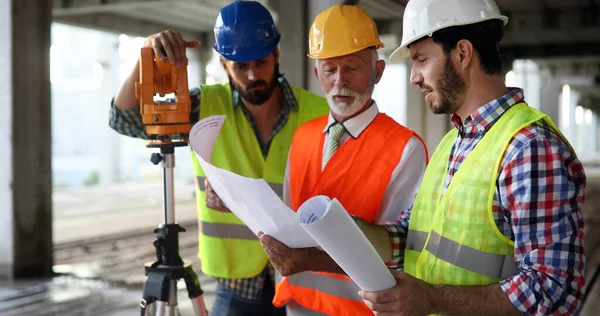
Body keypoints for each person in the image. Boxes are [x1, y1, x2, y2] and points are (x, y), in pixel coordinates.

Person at [357, 0, 587, 315]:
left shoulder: (529, 148)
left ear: (463, 53)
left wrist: (432, 299)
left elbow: (554, 290)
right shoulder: (452, 142)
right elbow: (416, 237)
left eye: (421, 60)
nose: (414, 77)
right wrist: (357, 233)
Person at [108, 1, 330, 315]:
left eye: (262, 62)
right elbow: (123, 119)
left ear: (277, 55)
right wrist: (146, 55)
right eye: (240, 66)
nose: (253, 75)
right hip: (235, 285)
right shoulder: (202, 106)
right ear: (224, 65)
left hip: (305, 278)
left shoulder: (319, 113)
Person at [257, 5, 428, 316]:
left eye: (352, 67)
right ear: (317, 73)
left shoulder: (406, 149)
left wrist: (310, 259)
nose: (340, 82)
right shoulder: (303, 137)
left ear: (377, 71)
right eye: (329, 69)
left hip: (359, 310)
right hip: (297, 304)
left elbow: (400, 251)